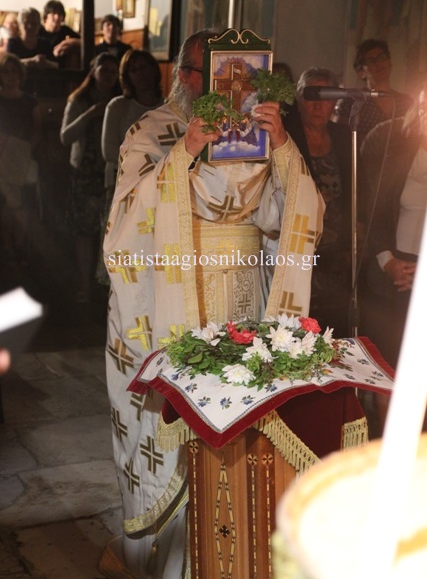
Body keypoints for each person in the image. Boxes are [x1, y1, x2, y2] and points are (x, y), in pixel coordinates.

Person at [100, 29, 324, 578]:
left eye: (242, 74)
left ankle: (236, 554)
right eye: (217, 72)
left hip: (245, 303)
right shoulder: (152, 130)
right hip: (175, 301)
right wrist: (186, 152)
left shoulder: (258, 134)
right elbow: (125, 226)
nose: (232, 87)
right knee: (180, 438)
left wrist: (284, 149)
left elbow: (291, 215)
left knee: (242, 433)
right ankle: (172, 563)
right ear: (185, 76)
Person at [360, 80, 427, 435]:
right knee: (391, 376)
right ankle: (387, 452)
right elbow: (373, 209)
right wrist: (387, 262)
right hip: (394, 269)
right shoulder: (393, 143)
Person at [284, 67, 353, 336]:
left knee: (335, 325)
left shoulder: (345, 136)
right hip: (299, 244)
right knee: (300, 325)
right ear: (298, 98)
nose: (317, 105)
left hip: (337, 249)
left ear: (334, 102)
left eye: (324, 97)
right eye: (310, 95)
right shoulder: (286, 136)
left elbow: (357, 187)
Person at [96, 49, 164, 285]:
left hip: (161, 186)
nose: (140, 73)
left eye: (144, 67)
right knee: (123, 244)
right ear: (127, 76)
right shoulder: (118, 107)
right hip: (124, 184)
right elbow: (108, 151)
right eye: (134, 70)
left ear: (154, 70)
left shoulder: (169, 107)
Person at [60, 52, 121, 303]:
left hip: (111, 173)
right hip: (85, 172)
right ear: (93, 71)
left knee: (110, 230)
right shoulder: (79, 99)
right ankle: (85, 283)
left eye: (113, 71)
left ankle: (108, 286)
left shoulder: (119, 101)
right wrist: (90, 114)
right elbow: (65, 136)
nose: (109, 75)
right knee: (85, 231)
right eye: (104, 70)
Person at [0, 53, 42, 263]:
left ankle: (19, 244)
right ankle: (7, 246)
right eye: (6, 72)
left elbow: (37, 129)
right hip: (2, 157)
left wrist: (24, 151)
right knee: (7, 203)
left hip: (24, 157)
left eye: (14, 72)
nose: (11, 77)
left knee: (23, 204)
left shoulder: (29, 101)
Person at [335, 39, 413, 147]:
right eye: (371, 61)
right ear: (361, 72)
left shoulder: (406, 102)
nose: (379, 63)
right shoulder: (352, 102)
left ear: (390, 63)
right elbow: (340, 139)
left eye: (382, 57)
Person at [38, 0, 80, 68]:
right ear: (46, 16)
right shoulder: (38, 30)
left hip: (60, 68)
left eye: (60, 14)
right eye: (54, 13)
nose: (57, 17)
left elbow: (83, 41)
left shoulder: (65, 30)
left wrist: (71, 42)